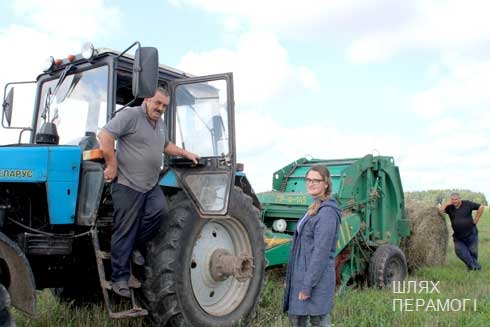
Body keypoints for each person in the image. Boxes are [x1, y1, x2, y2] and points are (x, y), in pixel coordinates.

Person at [98, 86, 199, 297]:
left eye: (164, 105)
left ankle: (134, 247)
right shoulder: (130, 115)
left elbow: (166, 145)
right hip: (127, 183)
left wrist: (185, 152)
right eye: (157, 103)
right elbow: (105, 135)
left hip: (150, 184)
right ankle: (120, 279)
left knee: (159, 212)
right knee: (124, 230)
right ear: (146, 99)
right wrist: (112, 164)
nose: (160, 108)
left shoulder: (159, 123)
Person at [283, 165, 342, 327]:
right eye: (308, 180)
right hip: (303, 276)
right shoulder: (315, 206)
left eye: (316, 180)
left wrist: (307, 286)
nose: (311, 183)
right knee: (297, 318)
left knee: (318, 320)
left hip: (316, 280)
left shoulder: (328, 213)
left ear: (326, 184)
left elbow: (320, 254)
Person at [439, 192, 484, 271]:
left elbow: (481, 206)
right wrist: (447, 203)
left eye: (456, 199)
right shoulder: (449, 207)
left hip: (471, 233)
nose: (454, 201)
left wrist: (476, 219)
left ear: (460, 199)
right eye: (452, 200)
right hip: (458, 236)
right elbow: (440, 211)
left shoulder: (467, 204)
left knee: (473, 252)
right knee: (459, 251)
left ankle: (472, 268)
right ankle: (476, 267)